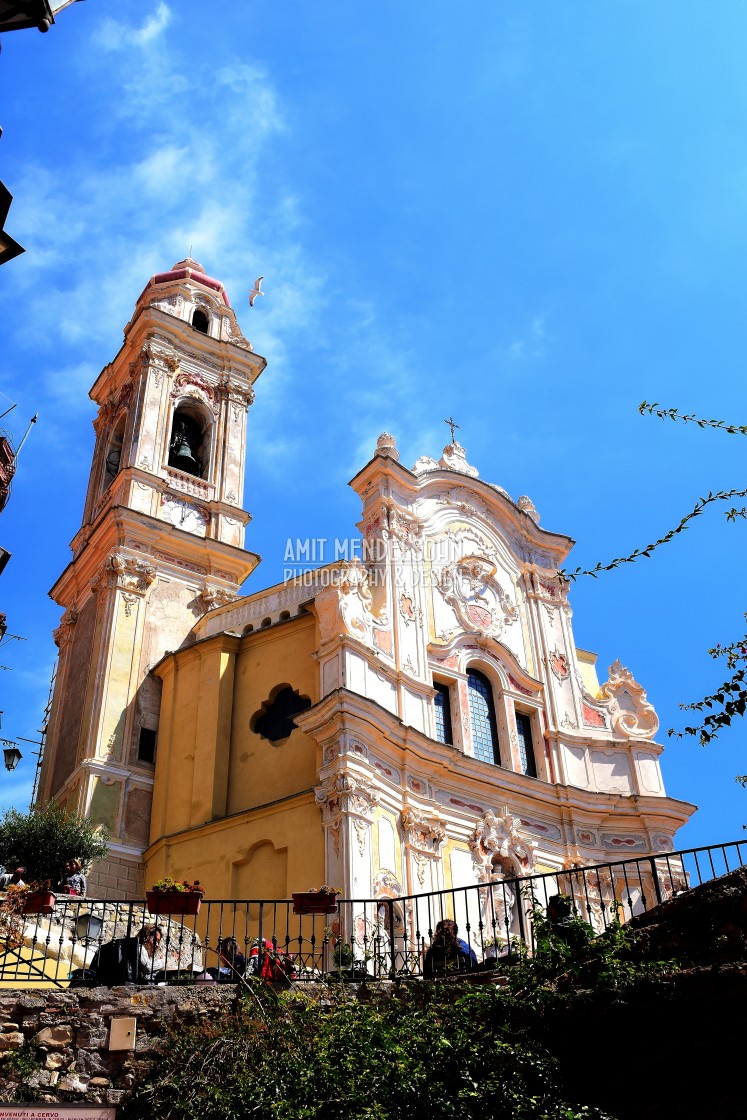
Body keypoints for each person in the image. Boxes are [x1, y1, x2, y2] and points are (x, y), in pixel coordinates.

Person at [85, 924, 166, 985]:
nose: (157, 945)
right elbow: (147, 967)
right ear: (146, 937)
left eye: (158, 941)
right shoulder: (140, 947)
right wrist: (162, 961)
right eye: (155, 940)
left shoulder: (137, 948)